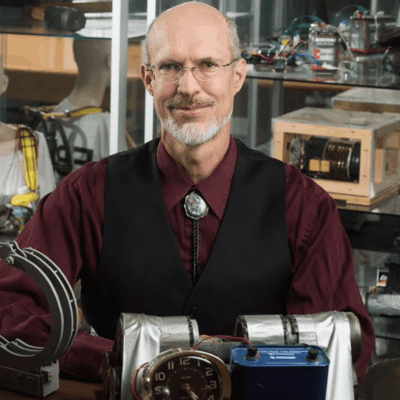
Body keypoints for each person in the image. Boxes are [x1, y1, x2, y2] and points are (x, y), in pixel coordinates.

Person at [0, 1, 374, 386]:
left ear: (238, 76)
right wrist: (113, 360)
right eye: (171, 67)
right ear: (148, 79)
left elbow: (342, 345)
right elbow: (9, 307)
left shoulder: (304, 205)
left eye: (208, 65)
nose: (189, 87)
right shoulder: (87, 194)